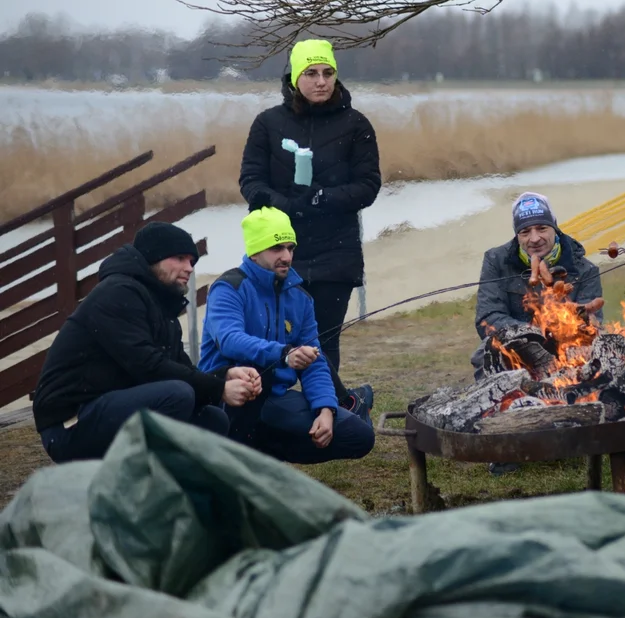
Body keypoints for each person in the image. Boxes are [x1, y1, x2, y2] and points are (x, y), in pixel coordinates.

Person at [32, 222, 261, 463]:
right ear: (154, 258)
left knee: (212, 419)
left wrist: (224, 376)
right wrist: (219, 389)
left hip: (107, 407)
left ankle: (177, 490)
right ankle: (140, 483)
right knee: (177, 394)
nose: (190, 268)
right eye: (180, 258)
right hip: (69, 423)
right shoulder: (118, 293)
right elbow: (148, 366)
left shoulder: (160, 302)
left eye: (192, 261)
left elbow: (182, 369)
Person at [239, 38, 382, 374]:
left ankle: (333, 412)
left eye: (327, 72)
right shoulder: (267, 124)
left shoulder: (356, 125)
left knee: (323, 342)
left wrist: (322, 198)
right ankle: (277, 413)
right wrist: (283, 204)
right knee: (273, 339)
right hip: (279, 251)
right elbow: (250, 181)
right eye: (311, 73)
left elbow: (368, 186)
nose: (321, 81)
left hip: (336, 252)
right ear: (294, 78)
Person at [200, 206, 376, 465]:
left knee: (359, 436)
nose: (286, 256)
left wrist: (325, 409)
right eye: (277, 248)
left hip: (275, 398)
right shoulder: (229, 288)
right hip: (226, 395)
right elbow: (229, 339)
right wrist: (283, 354)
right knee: (245, 406)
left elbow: (314, 361)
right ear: (256, 251)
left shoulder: (300, 298)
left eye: (290, 248)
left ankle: (266, 457)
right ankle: (246, 458)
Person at [471, 192, 604, 380]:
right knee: (484, 353)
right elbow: (488, 317)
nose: (534, 238)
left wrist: (559, 332)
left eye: (542, 228)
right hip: (515, 347)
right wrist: (534, 336)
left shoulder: (585, 269)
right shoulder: (496, 261)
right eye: (525, 232)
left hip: (567, 348)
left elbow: (592, 324)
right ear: (517, 235)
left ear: (555, 228)